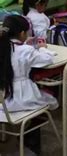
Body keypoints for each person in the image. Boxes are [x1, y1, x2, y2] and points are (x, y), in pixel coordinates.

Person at [0, 15, 58, 155]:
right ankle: (31, 141)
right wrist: (42, 48)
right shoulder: (25, 50)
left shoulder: (4, 48)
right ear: (22, 34)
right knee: (52, 101)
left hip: (3, 103)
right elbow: (47, 60)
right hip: (22, 98)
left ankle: (20, 139)